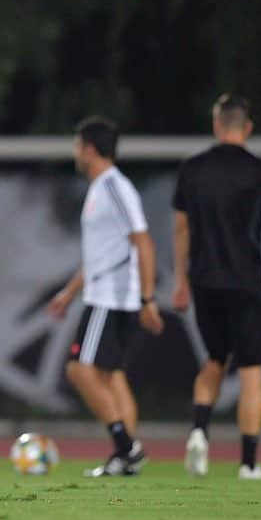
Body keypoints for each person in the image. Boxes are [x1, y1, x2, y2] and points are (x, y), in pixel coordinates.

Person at [173, 93, 261, 479]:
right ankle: (249, 463)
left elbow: (181, 228)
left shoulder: (192, 170)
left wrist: (181, 280)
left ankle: (200, 430)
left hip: (203, 282)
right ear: (247, 128)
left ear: (217, 125)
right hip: (245, 283)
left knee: (215, 360)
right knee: (251, 371)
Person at [48, 117, 164, 477]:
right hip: (106, 293)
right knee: (111, 376)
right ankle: (125, 458)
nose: (75, 153)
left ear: (90, 149)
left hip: (112, 298)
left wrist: (147, 298)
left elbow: (143, 242)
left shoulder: (114, 186)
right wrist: (69, 293)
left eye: (77, 146)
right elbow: (103, 254)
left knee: (79, 369)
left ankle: (126, 447)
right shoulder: (101, 188)